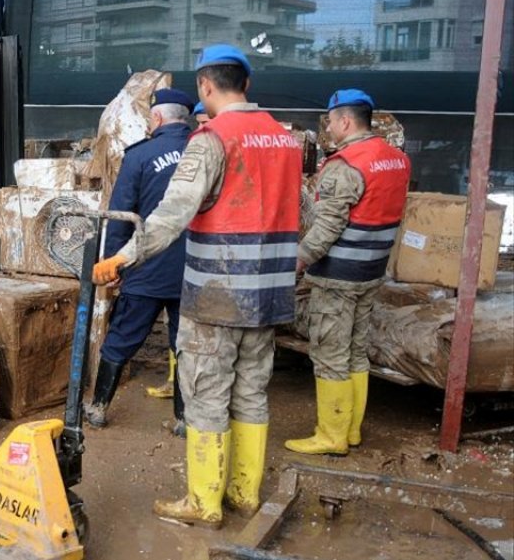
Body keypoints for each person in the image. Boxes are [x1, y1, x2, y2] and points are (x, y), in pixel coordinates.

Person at [92, 44, 302, 528]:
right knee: (251, 392)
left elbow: (169, 217)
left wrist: (120, 260)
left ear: (206, 87)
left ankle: (204, 502)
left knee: (206, 394)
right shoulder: (285, 141)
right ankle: (246, 494)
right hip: (270, 293)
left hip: (217, 293)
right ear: (246, 85)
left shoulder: (211, 140)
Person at [286, 89, 409, 456]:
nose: (329, 130)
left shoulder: (346, 164)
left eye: (330, 123)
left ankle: (331, 435)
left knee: (329, 354)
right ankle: (351, 431)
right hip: (372, 273)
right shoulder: (397, 159)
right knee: (356, 352)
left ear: (343, 120)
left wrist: (300, 258)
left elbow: (328, 227)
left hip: (338, 275)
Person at [85, 88, 193, 436]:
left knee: (122, 338)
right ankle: (183, 419)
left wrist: (114, 263)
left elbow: (120, 217)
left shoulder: (141, 155)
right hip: (193, 270)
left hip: (147, 266)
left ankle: (99, 408)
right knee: (187, 344)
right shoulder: (203, 152)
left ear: (157, 118)